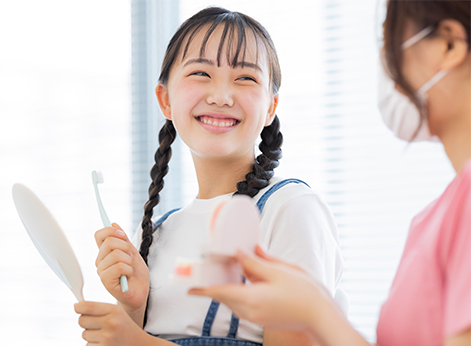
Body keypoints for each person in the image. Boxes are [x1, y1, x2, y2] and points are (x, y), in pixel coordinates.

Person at [188, 1, 471, 346]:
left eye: (390, 40)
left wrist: (314, 311)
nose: (385, 66)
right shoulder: (436, 217)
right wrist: (313, 309)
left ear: (450, 45)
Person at [74, 6, 346, 346]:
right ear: (165, 99)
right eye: (201, 73)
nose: (221, 96)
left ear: (271, 107)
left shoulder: (289, 209)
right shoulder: (159, 233)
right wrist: (133, 306)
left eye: (245, 78)